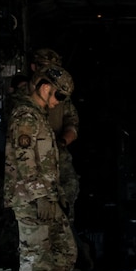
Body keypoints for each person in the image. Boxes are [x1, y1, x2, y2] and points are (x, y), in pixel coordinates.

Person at [5, 67, 76, 271]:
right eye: (58, 95)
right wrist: (41, 196)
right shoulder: (26, 116)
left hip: (48, 198)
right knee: (34, 258)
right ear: (45, 88)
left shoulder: (39, 117)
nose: (58, 102)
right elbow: (25, 162)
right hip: (32, 200)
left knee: (66, 250)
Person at [28, 47, 82, 220]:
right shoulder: (24, 100)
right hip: (31, 158)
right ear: (34, 68)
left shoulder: (60, 97)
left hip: (57, 151)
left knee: (68, 189)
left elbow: (72, 124)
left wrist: (62, 142)